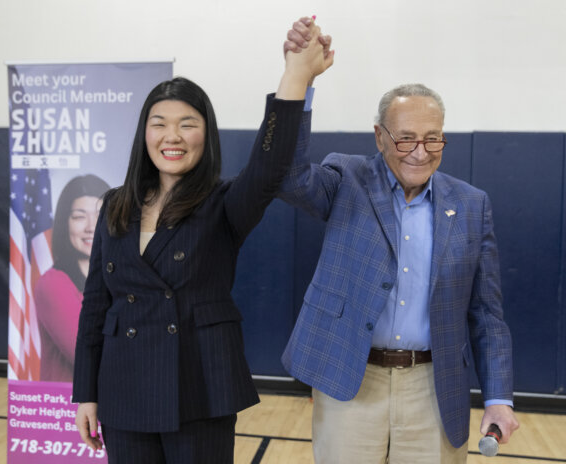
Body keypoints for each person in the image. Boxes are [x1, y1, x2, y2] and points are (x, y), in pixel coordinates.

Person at [71, 19, 334, 464]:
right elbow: (96, 303)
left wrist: (295, 76)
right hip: (123, 388)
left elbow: (269, 167)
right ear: (145, 134)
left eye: (186, 124)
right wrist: (86, 392)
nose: (172, 136)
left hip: (198, 385)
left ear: (205, 135)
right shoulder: (115, 204)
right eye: (159, 124)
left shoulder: (225, 203)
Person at [280, 20, 519, 463]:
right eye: (405, 137)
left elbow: (487, 315)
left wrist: (498, 396)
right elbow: (289, 177)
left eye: (432, 137)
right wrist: (300, 81)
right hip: (352, 378)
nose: (420, 150)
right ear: (379, 136)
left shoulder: (471, 205)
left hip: (434, 385)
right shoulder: (347, 178)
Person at [35, 174, 110, 382]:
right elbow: (89, 357)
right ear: (64, 224)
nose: (91, 226)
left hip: (114, 406)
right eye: (79, 216)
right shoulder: (53, 284)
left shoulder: (121, 274)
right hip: (67, 407)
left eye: (100, 214)